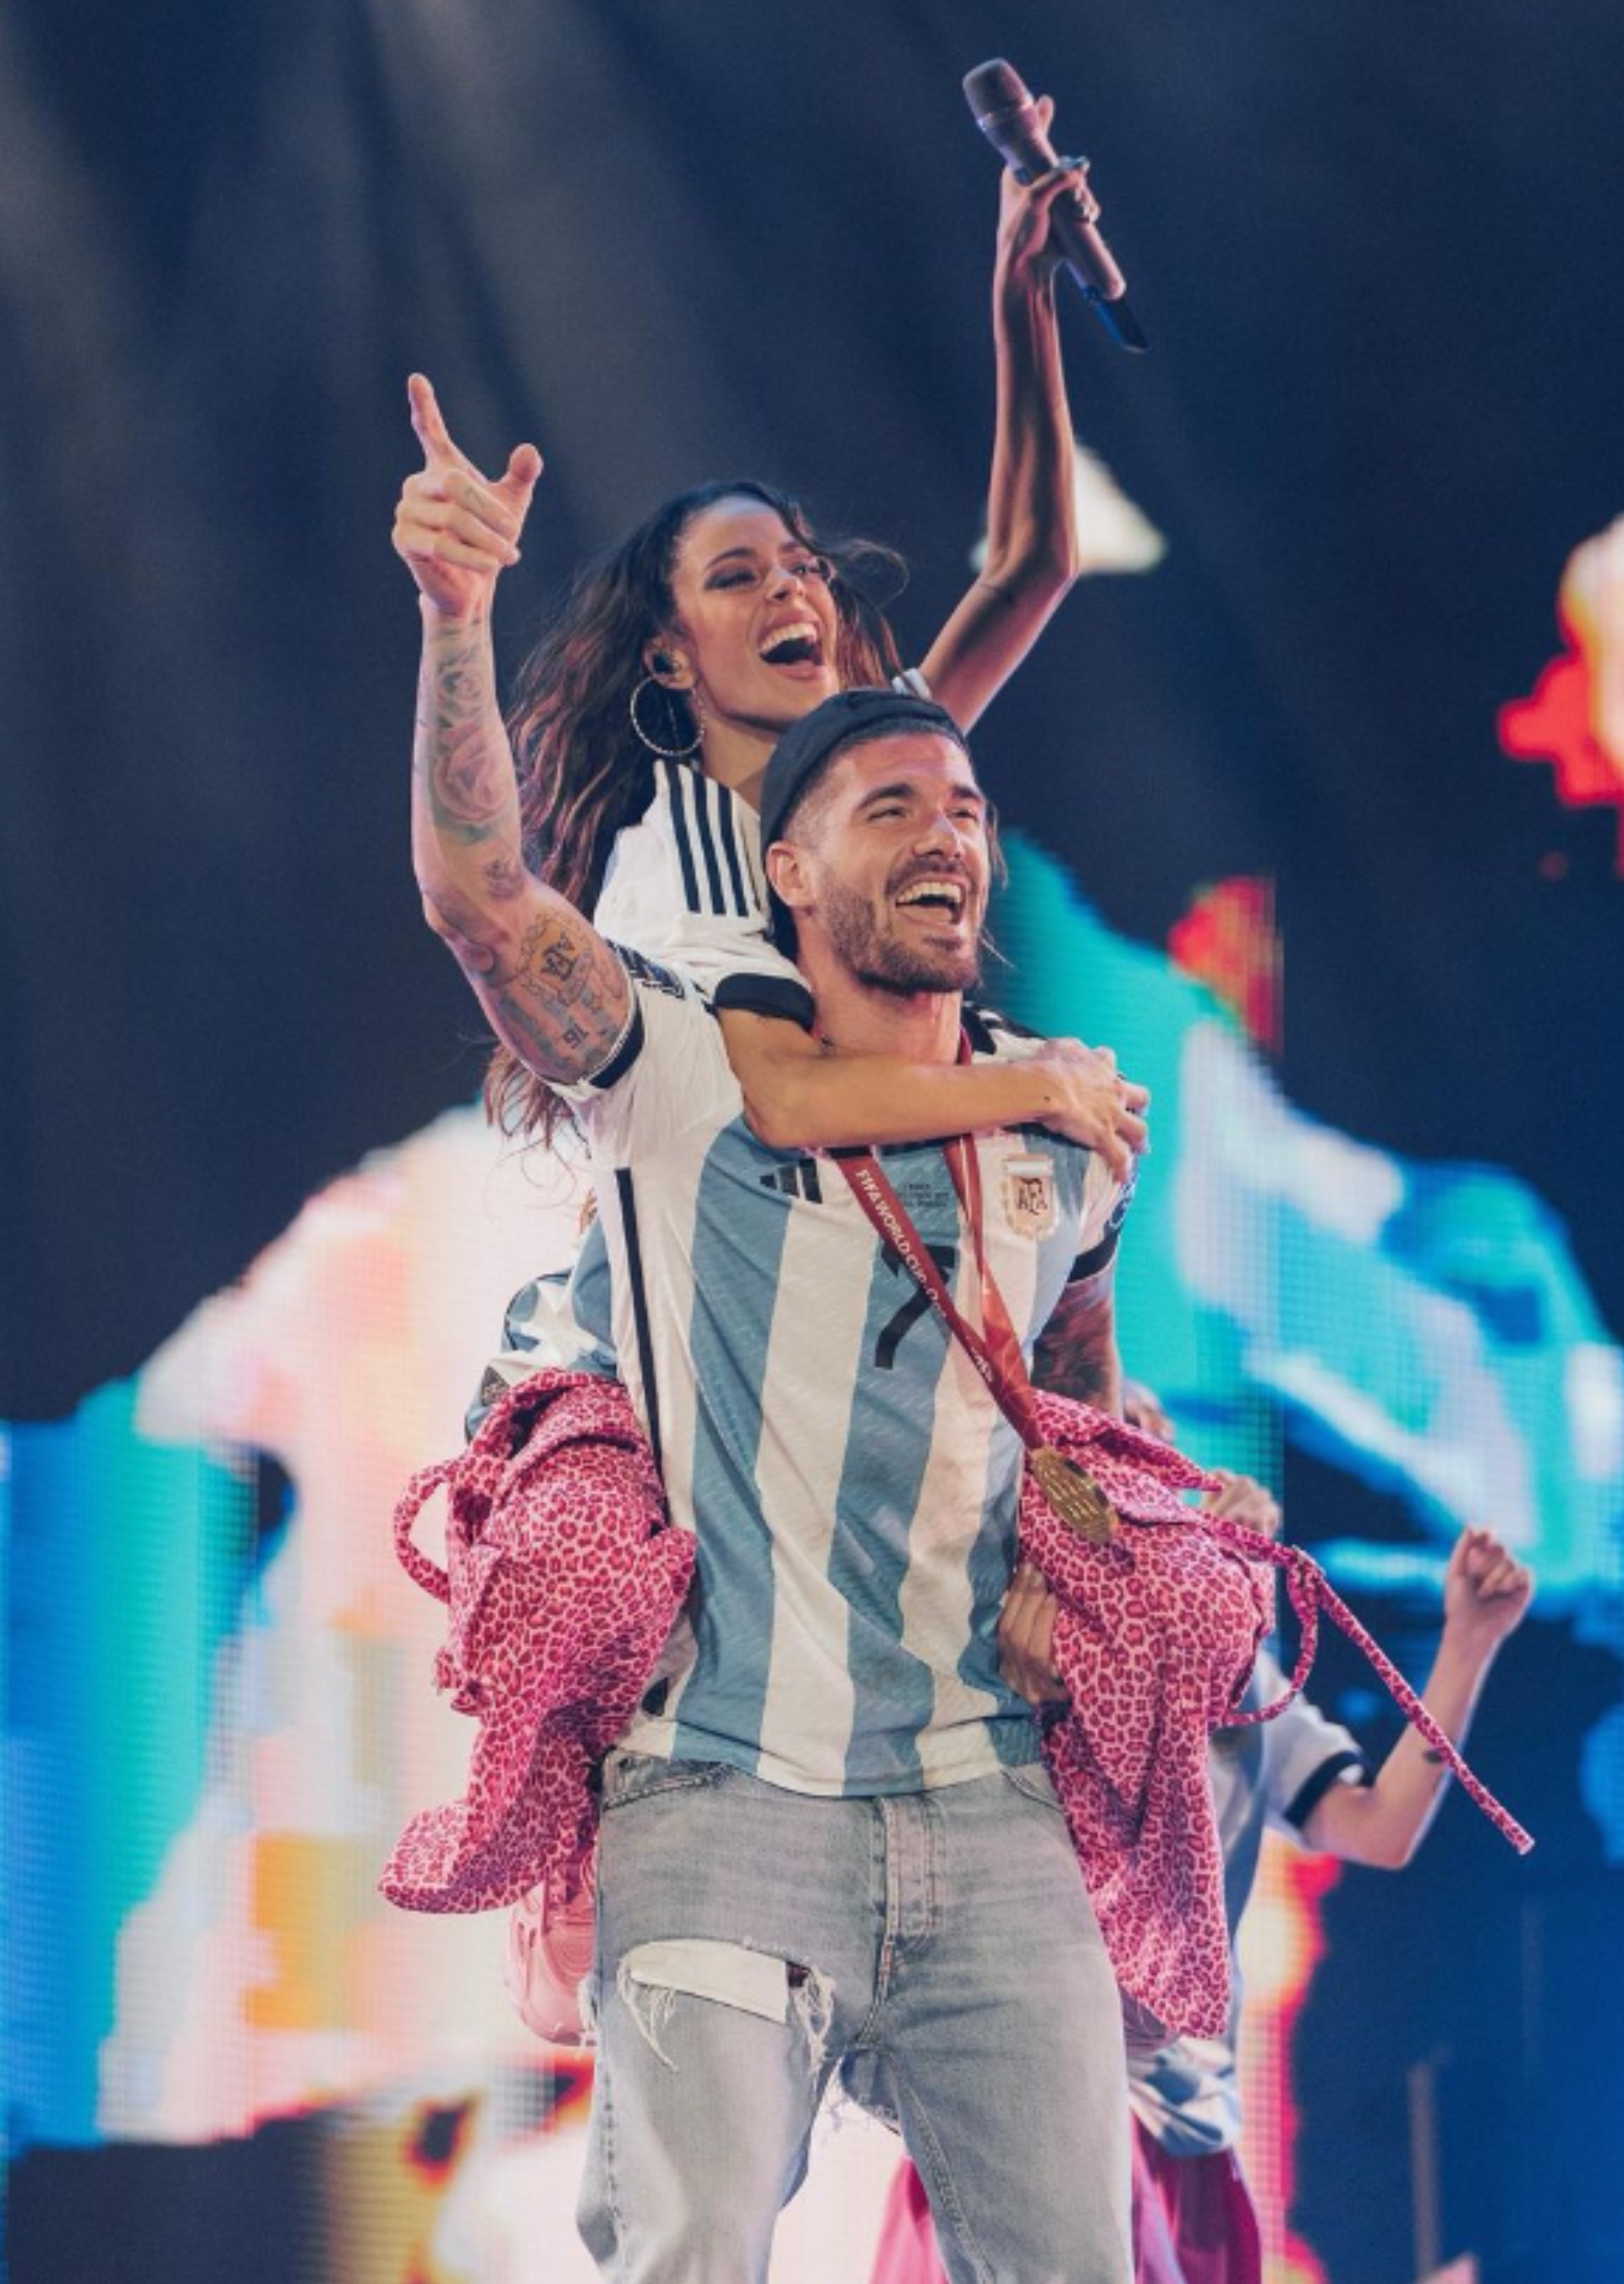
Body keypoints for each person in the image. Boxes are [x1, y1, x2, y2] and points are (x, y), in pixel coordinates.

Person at [405, 673, 1140, 2281]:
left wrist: (1072, 1541)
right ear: (788, 874)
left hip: (985, 1800)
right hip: (725, 1796)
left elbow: (1076, 1387)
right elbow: (479, 896)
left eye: (963, 808)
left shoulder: (1066, 1144)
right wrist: (456, 619)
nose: (945, 832)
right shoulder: (683, 1075)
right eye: (890, 807)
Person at [391, 99, 1149, 1173]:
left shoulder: (871, 772)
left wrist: (1020, 275)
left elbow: (1033, 562)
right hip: (679, 1313)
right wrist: (1041, 1081)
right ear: (667, 651)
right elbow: (782, 1096)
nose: (792, 593)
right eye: (739, 578)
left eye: (804, 567)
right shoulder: (679, 853)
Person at [873, 1380, 1536, 2284]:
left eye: (1151, 1436)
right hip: (1025, 2101)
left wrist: (1469, 1643)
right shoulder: (1002, 1641)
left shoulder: (1237, 1673)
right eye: (1109, 1433)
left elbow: (1381, 1827)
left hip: (1182, 2127)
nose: (1146, 1449)